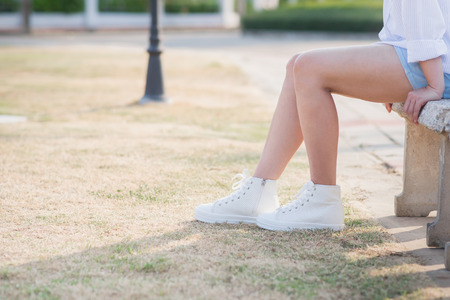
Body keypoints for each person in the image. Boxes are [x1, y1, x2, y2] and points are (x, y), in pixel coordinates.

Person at [194, 0, 450, 231]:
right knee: (297, 64)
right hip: (422, 58)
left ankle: (323, 200)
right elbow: (402, 27)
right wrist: (384, 78)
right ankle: (259, 191)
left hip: (438, 65)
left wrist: (433, 85)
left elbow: (423, 16)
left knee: (308, 67)